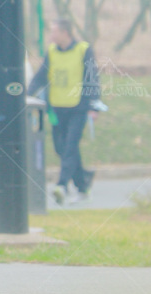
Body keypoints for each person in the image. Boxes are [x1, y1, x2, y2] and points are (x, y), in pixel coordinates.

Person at [28, 19, 101, 204]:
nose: (51, 36)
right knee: (62, 148)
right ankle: (83, 183)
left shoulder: (83, 50)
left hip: (78, 108)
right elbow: (41, 76)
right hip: (57, 108)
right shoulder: (52, 52)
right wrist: (27, 94)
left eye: (54, 32)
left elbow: (92, 78)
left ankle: (61, 185)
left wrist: (93, 105)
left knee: (70, 146)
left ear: (65, 33)